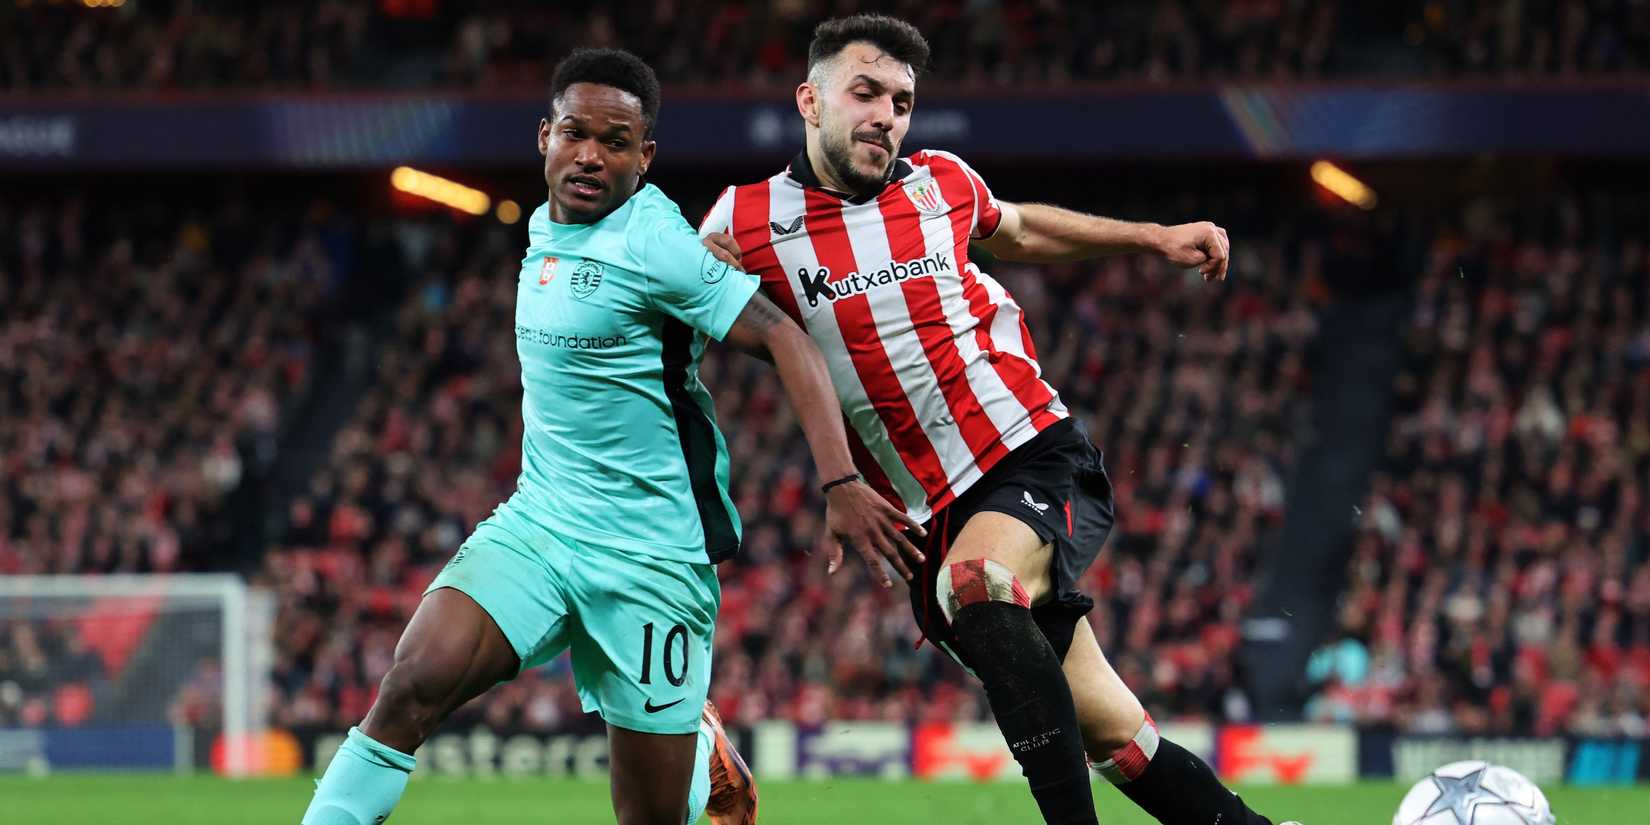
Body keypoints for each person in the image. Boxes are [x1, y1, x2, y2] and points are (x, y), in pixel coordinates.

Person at [699, 15, 1300, 825]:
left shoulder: (940, 183)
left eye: (903, 102)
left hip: (1030, 453)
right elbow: (676, 309)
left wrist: (1151, 237)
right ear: (810, 100)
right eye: (865, 92)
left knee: (977, 582)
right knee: (1118, 734)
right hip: (921, 518)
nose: (885, 115)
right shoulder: (742, 221)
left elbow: (1018, 227)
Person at [301, 47, 918, 825]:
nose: (590, 155)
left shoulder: (656, 242)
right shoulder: (541, 227)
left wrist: (838, 482)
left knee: (651, 816)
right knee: (410, 682)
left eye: (615, 142)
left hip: (650, 557)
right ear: (544, 138)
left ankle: (701, 759)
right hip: (541, 525)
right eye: (574, 133)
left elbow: (789, 341)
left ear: (644, 156)